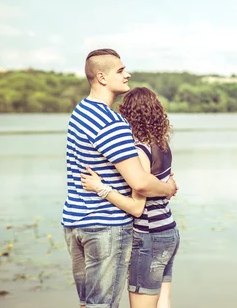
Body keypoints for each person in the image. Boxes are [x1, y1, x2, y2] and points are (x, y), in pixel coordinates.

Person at [62, 48, 178, 308]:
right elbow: (139, 182)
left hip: (74, 223)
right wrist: (167, 189)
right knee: (102, 305)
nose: (128, 74)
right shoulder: (111, 123)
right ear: (102, 77)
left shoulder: (80, 112)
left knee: (89, 303)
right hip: (105, 226)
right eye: (121, 70)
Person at [81, 86, 180, 308]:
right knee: (163, 302)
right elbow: (163, 187)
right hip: (168, 231)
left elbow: (137, 208)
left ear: (128, 115)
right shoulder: (162, 146)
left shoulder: (140, 151)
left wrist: (101, 188)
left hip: (149, 234)